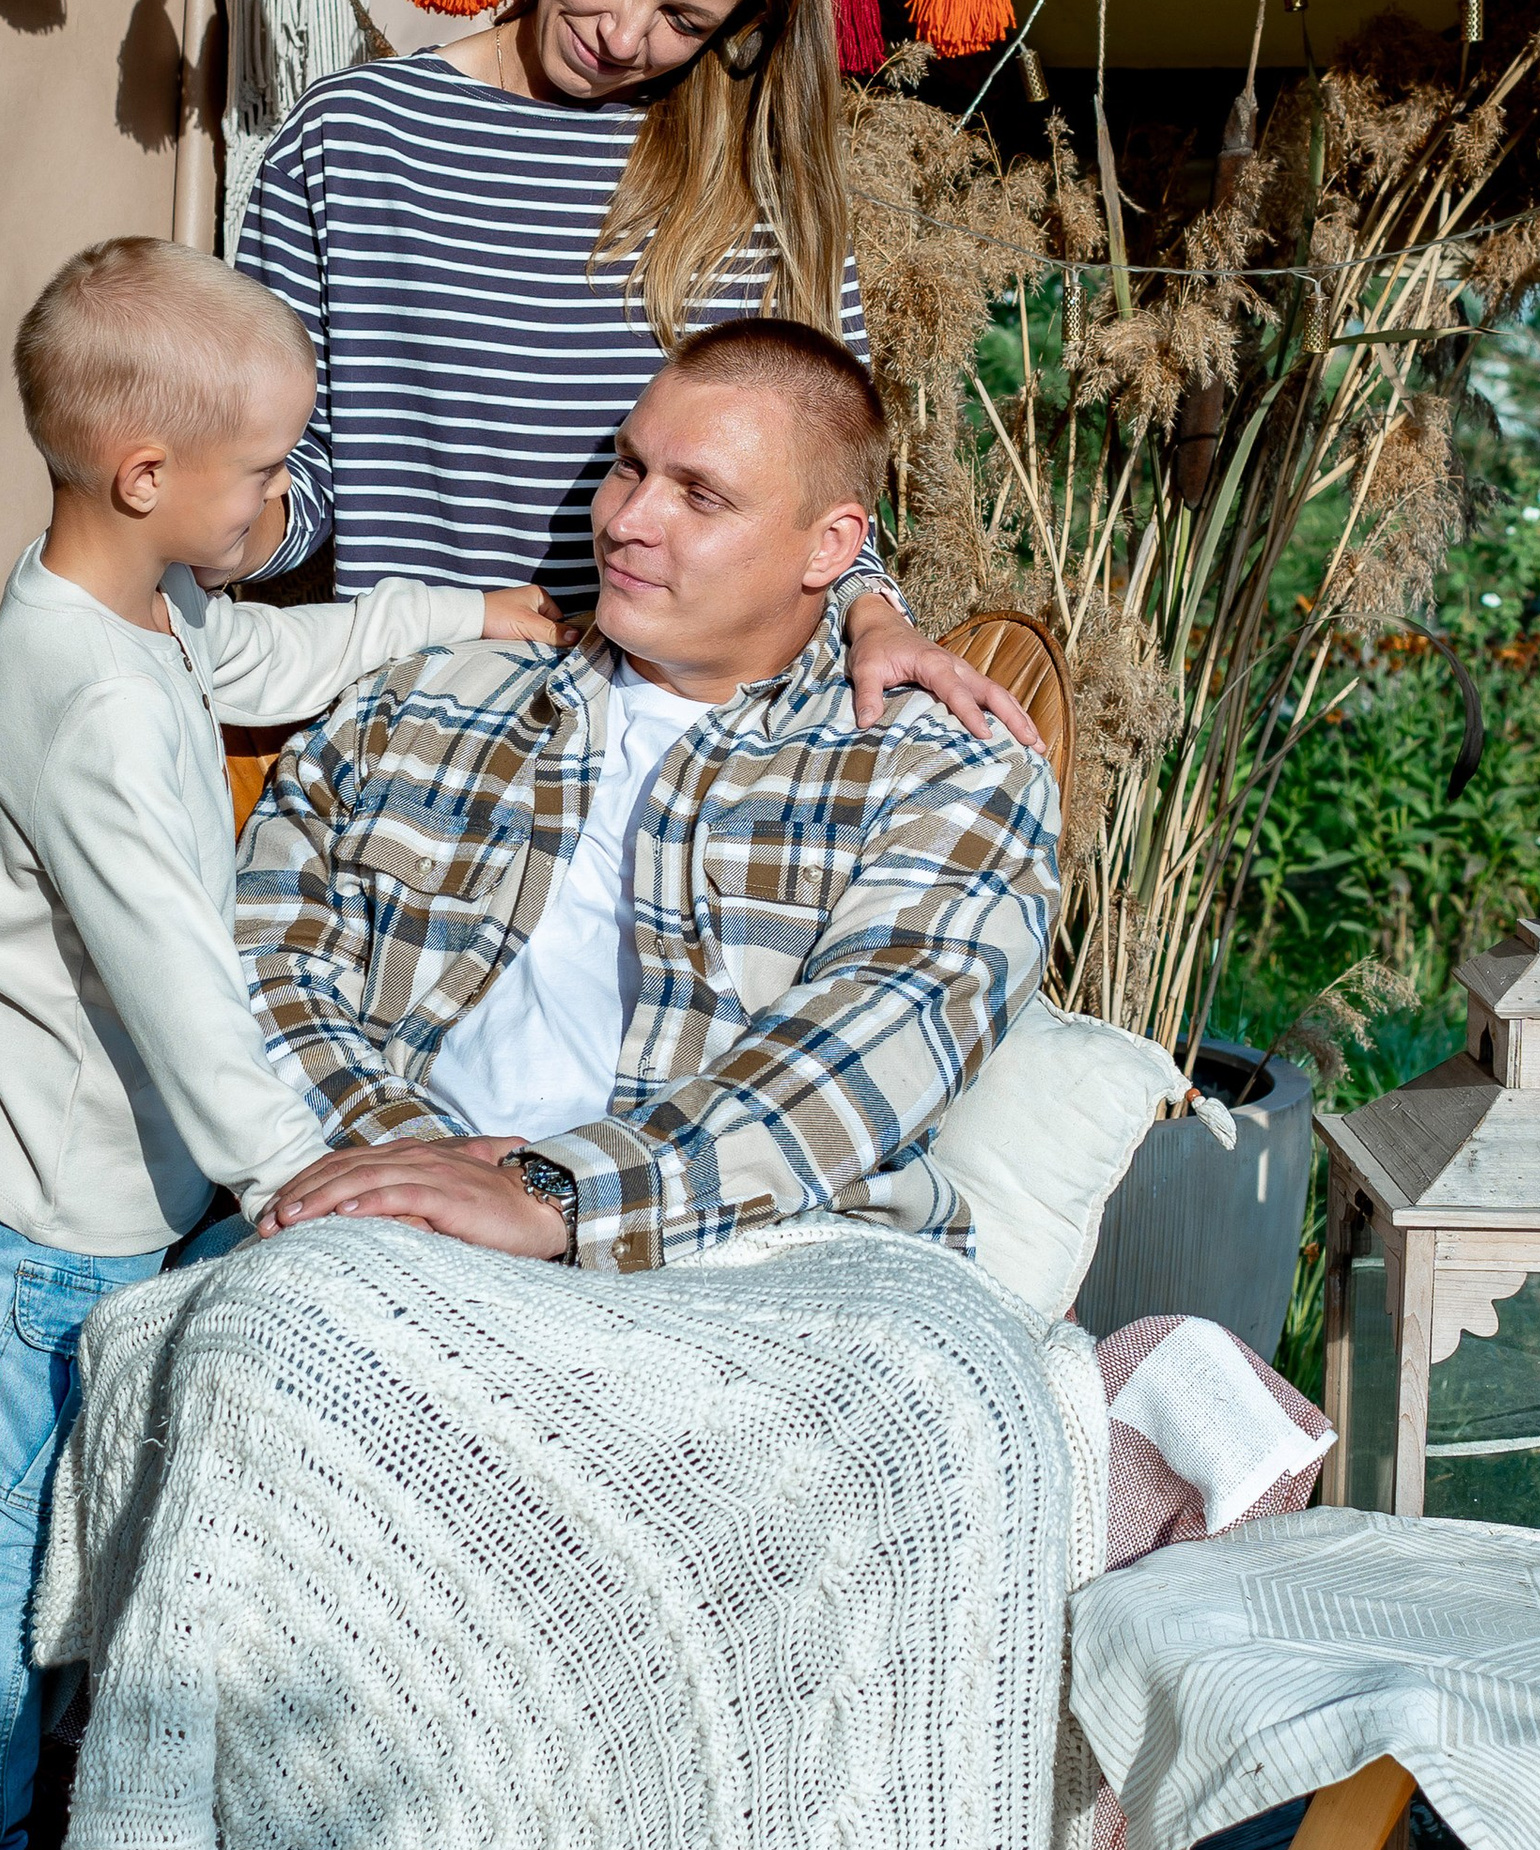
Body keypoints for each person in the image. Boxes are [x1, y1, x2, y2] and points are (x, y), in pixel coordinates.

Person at [0, 237, 552, 1850]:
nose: (289, 492)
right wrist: (299, 1173)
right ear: (148, 474)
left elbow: (254, 656)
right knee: (8, 1531)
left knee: (68, 1515)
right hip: (54, 1205)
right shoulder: (85, 700)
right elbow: (179, 982)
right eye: (266, 468)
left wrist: (455, 615)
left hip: (118, 1179)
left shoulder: (121, 613)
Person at [238, 317, 1056, 1278]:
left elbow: (882, 1035)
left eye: (700, 496)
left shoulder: (939, 763)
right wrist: (412, 1177)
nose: (626, 520)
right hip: (377, 1224)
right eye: (628, 469)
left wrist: (560, 1192)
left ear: (831, 546)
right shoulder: (426, 700)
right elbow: (263, 956)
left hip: (756, 1266)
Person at [230, 0, 1034, 752]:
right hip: (416, 728)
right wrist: (209, 514)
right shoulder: (352, 139)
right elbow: (287, 471)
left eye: (682, 21)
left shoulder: (754, 186)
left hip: (683, 741)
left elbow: (815, 480)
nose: (621, 34)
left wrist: (877, 618)